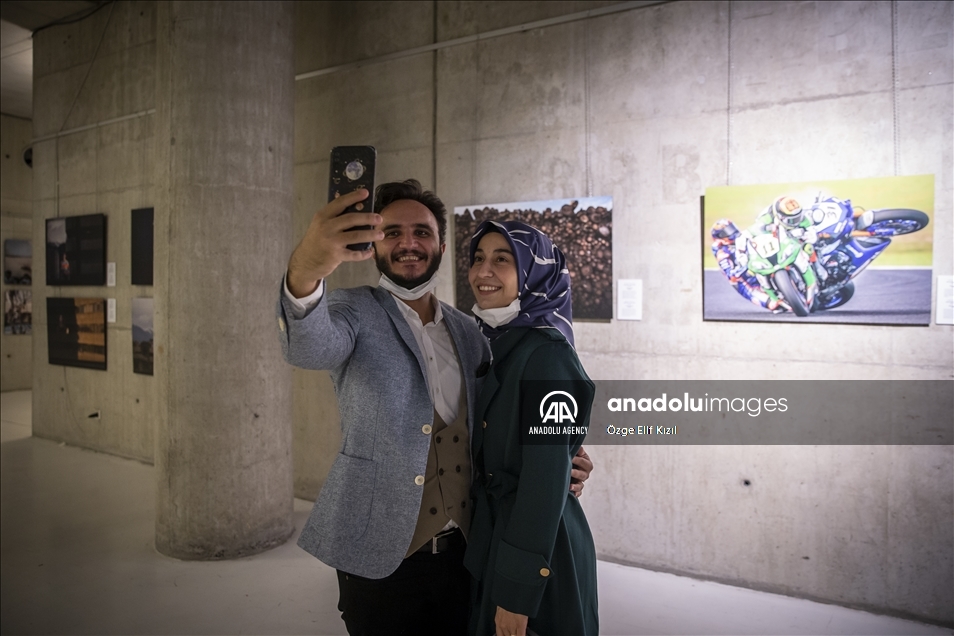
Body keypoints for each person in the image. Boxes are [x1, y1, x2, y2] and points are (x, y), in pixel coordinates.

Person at [277, 180, 592, 635]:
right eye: (392, 232)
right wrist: (307, 268)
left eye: (422, 232)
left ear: (442, 247)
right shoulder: (351, 310)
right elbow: (307, 347)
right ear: (373, 244)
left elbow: (501, 422)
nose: (409, 243)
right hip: (378, 554)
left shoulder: (471, 332)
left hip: (467, 550)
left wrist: (561, 457)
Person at [463, 220, 598, 636]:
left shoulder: (547, 357)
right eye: (478, 258)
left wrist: (516, 594)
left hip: (538, 554)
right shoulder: (494, 342)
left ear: (533, 273)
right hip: (498, 537)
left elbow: (543, 483)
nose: (484, 271)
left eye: (502, 260)